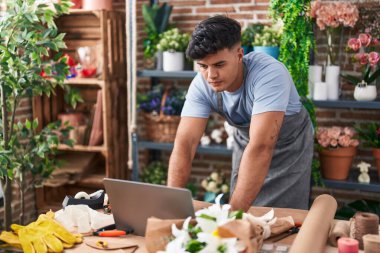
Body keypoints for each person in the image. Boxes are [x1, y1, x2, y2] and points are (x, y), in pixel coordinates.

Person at [167, 15, 314, 211]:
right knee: (243, 215)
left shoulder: (269, 75)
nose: (211, 76)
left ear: (239, 55)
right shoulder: (201, 84)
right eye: (203, 66)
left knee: (284, 221)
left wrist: (231, 218)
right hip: (247, 146)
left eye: (219, 65)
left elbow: (262, 146)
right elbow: (185, 143)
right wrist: (170, 205)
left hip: (289, 151)